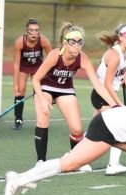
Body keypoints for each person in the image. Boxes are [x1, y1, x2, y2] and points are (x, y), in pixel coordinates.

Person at [31, 22, 116, 172]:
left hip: (65, 89)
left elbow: (98, 85)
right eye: (73, 42)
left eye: (80, 42)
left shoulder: (82, 58)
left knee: (77, 129)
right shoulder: (54, 55)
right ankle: (41, 161)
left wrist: (114, 105)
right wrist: (43, 100)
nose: (77, 46)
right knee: (43, 117)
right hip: (45, 87)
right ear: (65, 42)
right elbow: (35, 79)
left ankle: (76, 160)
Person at [91, 23, 126, 175]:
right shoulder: (115, 54)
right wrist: (118, 104)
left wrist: (125, 75)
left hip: (104, 93)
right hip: (104, 94)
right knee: (118, 127)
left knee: (92, 131)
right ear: (119, 37)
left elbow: (117, 69)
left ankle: (72, 157)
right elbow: (107, 84)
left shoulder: (123, 52)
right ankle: (113, 165)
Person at [12, 18, 52, 130]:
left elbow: (52, 57)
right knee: (20, 91)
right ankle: (18, 119)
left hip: (38, 68)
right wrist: (15, 83)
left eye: (37, 30)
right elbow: (16, 64)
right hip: (23, 68)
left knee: (39, 92)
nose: (34, 33)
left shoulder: (43, 40)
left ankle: (41, 118)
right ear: (26, 31)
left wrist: (49, 73)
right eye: (31, 30)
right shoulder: (19, 42)